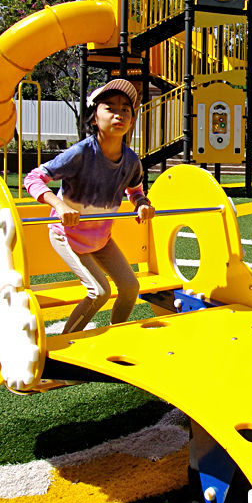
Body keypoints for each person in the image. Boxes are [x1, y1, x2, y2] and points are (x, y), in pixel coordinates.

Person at [23, 78, 155, 352]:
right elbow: (34, 177)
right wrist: (59, 206)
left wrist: (142, 203)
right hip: (67, 235)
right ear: (95, 117)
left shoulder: (131, 161)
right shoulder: (81, 153)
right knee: (99, 291)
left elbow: (135, 190)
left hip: (101, 238)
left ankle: (115, 336)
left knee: (130, 287)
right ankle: (59, 348)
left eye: (126, 110)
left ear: (131, 121)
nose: (119, 114)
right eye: (110, 108)